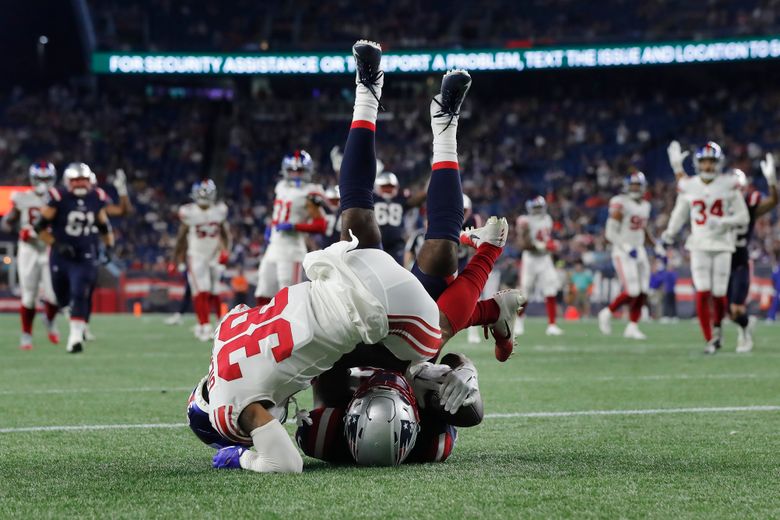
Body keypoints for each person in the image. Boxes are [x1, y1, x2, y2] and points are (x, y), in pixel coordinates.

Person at [189, 43, 524, 473]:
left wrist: (242, 451)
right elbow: (468, 404)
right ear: (412, 421)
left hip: (363, 316)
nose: (374, 393)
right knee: (442, 255)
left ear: (348, 418)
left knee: (358, 220)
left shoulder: (321, 432)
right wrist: (465, 375)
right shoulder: (431, 440)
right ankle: (444, 124)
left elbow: (279, 443)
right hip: (368, 309)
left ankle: (368, 92)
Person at [661, 141, 749, 354]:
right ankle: (709, 338)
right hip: (699, 244)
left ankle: (717, 331)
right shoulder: (689, 185)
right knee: (702, 290)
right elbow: (680, 212)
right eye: (704, 161)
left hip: (722, 244)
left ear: (718, 163)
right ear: (698, 163)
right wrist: (670, 233)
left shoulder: (728, 184)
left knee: (719, 292)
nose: (708, 166)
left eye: (712, 161)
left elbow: (743, 217)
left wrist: (723, 222)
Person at [34, 163, 115, 353]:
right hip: (60, 255)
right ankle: (75, 325)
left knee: (80, 292)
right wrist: (57, 244)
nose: (80, 184)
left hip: (85, 254)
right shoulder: (58, 197)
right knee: (62, 297)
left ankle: (75, 337)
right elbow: (39, 226)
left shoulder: (96, 197)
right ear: (68, 182)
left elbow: (104, 225)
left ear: (90, 181)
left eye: (83, 180)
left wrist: (109, 247)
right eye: (76, 180)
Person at [253, 150, 326, 307]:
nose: (295, 174)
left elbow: (321, 225)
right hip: (273, 246)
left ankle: (290, 330)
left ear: (307, 171)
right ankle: (263, 329)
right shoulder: (281, 186)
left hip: (292, 249)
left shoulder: (311, 191)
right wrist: (270, 227)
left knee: (288, 295)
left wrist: (295, 226)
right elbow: (277, 215)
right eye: (292, 170)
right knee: (263, 291)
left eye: (300, 170)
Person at [0, 161, 60, 350]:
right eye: (40, 178)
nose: (42, 182)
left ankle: (49, 321)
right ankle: (26, 334)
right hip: (29, 249)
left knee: (54, 295)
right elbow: (7, 223)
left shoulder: (58, 198)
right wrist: (15, 225)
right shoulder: (22, 197)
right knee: (29, 295)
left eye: (46, 178)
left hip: (50, 248)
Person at [728, 158, 777, 352]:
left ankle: (745, 333)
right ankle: (743, 327)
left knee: (736, 309)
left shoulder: (749, 205)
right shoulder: (715, 206)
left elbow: (773, 201)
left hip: (739, 261)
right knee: (727, 312)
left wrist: (772, 181)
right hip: (720, 262)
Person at [598, 172, 654, 340]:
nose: (635, 188)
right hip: (622, 250)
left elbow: (642, 228)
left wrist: (656, 246)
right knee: (633, 290)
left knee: (644, 289)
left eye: (638, 185)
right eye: (633, 185)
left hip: (639, 249)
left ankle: (632, 326)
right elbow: (610, 232)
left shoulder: (645, 205)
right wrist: (626, 247)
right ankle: (607, 312)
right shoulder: (620, 202)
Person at [173, 179, 231, 342]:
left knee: (215, 291)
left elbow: (225, 233)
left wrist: (226, 250)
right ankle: (205, 326)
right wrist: (176, 258)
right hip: (196, 255)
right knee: (202, 290)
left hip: (213, 255)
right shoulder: (189, 212)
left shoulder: (219, 211)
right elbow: (181, 237)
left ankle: (222, 324)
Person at [515, 196, 564, 336]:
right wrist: (543, 245)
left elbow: (547, 239)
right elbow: (523, 244)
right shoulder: (524, 221)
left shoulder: (548, 219)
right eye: (534, 208)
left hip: (545, 259)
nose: (537, 211)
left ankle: (552, 325)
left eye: (538, 208)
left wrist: (552, 245)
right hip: (530, 259)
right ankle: (518, 320)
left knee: (551, 289)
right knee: (525, 292)